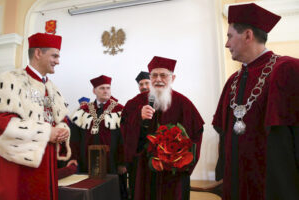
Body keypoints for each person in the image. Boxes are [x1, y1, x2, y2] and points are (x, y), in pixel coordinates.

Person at [212, 3, 299, 200]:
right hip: (236, 185)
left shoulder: (287, 70)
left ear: (248, 35)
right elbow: (224, 135)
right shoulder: (232, 81)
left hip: (275, 185)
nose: (226, 44)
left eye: (229, 36)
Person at [121, 56, 204, 200]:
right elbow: (124, 129)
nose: (158, 79)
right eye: (154, 75)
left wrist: (182, 161)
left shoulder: (184, 104)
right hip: (144, 171)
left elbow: (197, 133)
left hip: (173, 173)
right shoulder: (135, 103)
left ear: (173, 78)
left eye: (163, 75)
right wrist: (138, 118)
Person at [0, 33, 71, 200]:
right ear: (38, 53)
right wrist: (46, 132)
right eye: (54, 55)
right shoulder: (10, 80)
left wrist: (62, 130)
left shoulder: (52, 87)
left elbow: (61, 119)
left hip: (48, 161)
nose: (58, 61)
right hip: (19, 166)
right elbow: (2, 121)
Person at [68, 75, 128, 199]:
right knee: (90, 190)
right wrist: (74, 157)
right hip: (87, 160)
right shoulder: (83, 110)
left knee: (112, 192)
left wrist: (123, 162)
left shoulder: (120, 109)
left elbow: (125, 138)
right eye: (102, 88)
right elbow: (75, 137)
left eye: (108, 88)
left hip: (112, 160)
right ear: (94, 91)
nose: (106, 91)